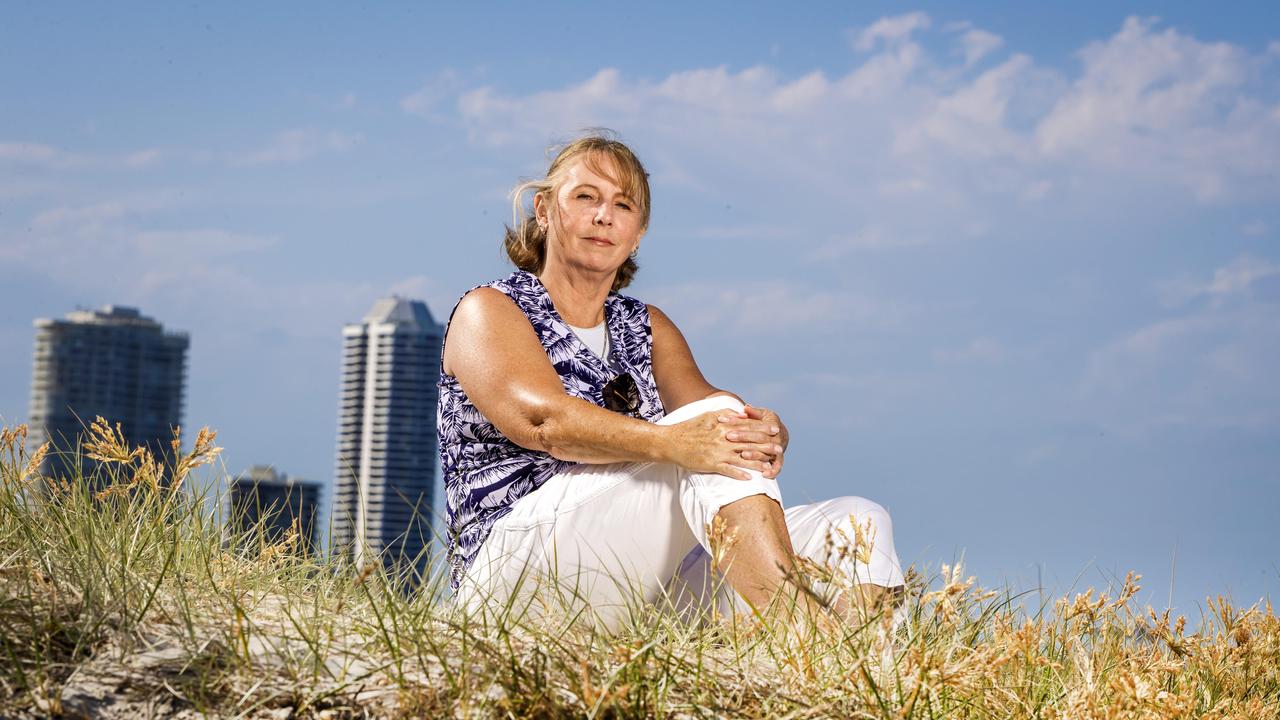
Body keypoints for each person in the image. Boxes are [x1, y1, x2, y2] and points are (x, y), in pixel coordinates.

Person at [439, 132, 904, 631]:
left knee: (859, 520)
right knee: (705, 436)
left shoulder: (647, 326)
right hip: (512, 575)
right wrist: (677, 441)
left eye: (623, 205)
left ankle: (865, 678)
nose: (604, 216)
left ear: (638, 233)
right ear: (545, 211)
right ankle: (810, 637)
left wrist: (765, 431)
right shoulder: (490, 309)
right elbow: (542, 421)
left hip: (634, 579)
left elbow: (716, 415)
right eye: (585, 197)